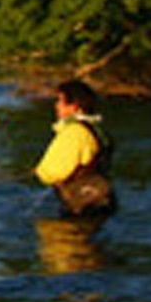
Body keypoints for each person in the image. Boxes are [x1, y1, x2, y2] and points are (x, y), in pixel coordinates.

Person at [34, 79, 116, 217]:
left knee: (63, 237)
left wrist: (39, 172)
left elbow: (53, 172)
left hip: (81, 204)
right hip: (101, 199)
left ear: (75, 107)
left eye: (60, 101)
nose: (56, 106)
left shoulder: (74, 132)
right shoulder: (96, 129)